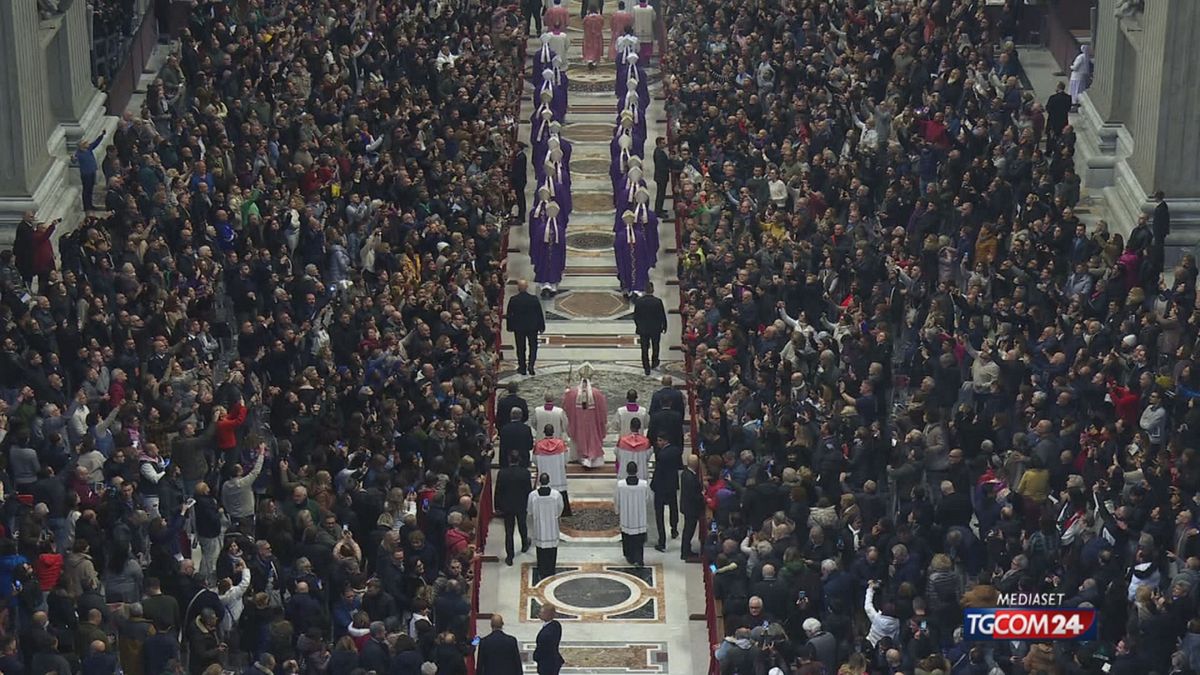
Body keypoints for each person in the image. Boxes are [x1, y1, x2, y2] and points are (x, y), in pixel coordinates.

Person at [563, 363, 607, 469]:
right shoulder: (597, 394)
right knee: (592, 436)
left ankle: (579, 456)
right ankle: (592, 456)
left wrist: (567, 391)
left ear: (579, 377)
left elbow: (565, 406)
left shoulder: (572, 393)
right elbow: (603, 411)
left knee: (578, 434)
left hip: (578, 423)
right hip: (592, 424)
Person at [494, 452, 533, 566]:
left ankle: (510, 556)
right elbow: (528, 490)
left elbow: (498, 491)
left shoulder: (502, 473)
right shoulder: (525, 473)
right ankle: (524, 544)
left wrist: (497, 506)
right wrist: (529, 505)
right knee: (522, 525)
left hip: (507, 506)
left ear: (509, 459)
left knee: (509, 531)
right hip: (521, 504)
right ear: (519, 459)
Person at [527, 473, 564, 583]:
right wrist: (555, 516)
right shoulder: (556, 495)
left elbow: (530, 510)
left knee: (541, 550)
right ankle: (551, 569)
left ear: (539, 481)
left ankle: (542, 569)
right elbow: (560, 508)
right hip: (552, 526)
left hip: (539, 526)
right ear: (549, 481)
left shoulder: (533, 495)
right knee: (552, 549)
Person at [506, 280, 546, 376]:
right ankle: (531, 365)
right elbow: (539, 313)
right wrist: (541, 326)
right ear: (527, 287)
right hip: (532, 327)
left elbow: (509, 315)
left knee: (520, 348)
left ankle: (522, 367)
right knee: (533, 346)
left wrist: (509, 326)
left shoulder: (514, 299)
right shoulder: (533, 299)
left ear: (518, 288)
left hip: (519, 328)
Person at [614, 461, 651, 566]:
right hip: (639, 517)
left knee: (627, 538)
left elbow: (617, 500)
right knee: (639, 540)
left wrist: (618, 511)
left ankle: (629, 556)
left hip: (626, 517)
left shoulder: (621, 485)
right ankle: (639, 559)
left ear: (626, 471)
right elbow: (648, 499)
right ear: (637, 471)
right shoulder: (643, 485)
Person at [649, 435, 682, 552]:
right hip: (672, 484)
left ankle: (662, 541)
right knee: (673, 507)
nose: (658, 443)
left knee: (659, 514)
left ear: (665, 441)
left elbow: (658, 471)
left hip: (661, 487)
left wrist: (653, 485)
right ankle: (674, 529)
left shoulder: (661, 455)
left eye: (660, 440)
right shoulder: (676, 451)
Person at [533, 425, 572, 517]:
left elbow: (534, 460)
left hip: (544, 472)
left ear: (544, 432)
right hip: (558, 475)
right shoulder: (560, 444)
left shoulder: (539, 445)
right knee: (561, 491)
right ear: (553, 432)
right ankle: (564, 512)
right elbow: (566, 459)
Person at [633, 282, 668, 375]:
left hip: (643, 329)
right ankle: (654, 361)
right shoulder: (657, 301)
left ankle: (646, 366)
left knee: (644, 348)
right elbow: (662, 315)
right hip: (655, 329)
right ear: (652, 290)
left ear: (645, 290)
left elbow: (636, 316)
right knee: (655, 346)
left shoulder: (639, 301)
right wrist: (664, 326)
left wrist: (639, 326)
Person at [678, 454, 703, 560]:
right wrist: (702, 496)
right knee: (689, 530)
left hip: (687, 506)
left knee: (688, 530)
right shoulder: (690, 477)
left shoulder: (686, 473)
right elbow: (693, 495)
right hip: (691, 508)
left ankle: (686, 549)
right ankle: (685, 552)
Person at [75, 131, 107, 212]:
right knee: (86, 190)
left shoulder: (89, 149)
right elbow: (74, 160)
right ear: (81, 145)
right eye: (85, 143)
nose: (87, 144)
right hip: (86, 174)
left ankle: (90, 204)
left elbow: (95, 143)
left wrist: (101, 135)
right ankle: (86, 206)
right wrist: (73, 159)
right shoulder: (78, 153)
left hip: (92, 172)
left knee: (90, 189)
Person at [533, 604, 564, 675]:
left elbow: (542, 648)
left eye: (542, 612)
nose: (539, 614)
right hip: (553, 661)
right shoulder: (555, 625)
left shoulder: (547, 633)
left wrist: (536, 656)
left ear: (548, 614)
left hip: (547, 663)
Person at [582, 4, 605, 68]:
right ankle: (595, 59)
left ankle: (589, 59)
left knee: (589, 47)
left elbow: (583, 25)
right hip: (597, 35)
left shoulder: (586, 18)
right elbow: (602, 25)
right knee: (597, 46)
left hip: (588, 35)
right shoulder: (600, 18)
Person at [652, 137, 670, 216]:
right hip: (661, 176)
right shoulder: (658, 153)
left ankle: (659, 208)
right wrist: (668, 167)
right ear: (659, 144)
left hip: (661, 176)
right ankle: (658, 211)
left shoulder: (660, 151)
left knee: (661, 194)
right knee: (660, 194)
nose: (665, 144)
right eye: (663, 143)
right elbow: (661, 166)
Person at [511, 143, 528, 222]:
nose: (514, 148)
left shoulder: (520, 157)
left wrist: (514, 183)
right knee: (520, 199)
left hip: (519, 181)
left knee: (520, 199)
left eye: (515, 146)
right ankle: (521, 215)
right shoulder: (519, 156)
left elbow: (518, 172)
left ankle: (521, 217)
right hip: (520, 180)